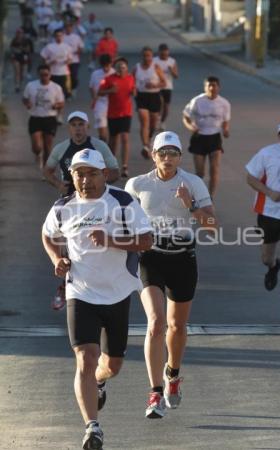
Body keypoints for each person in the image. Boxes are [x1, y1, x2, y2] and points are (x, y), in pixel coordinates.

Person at [42, 148, 153, 449]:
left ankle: (100, 382)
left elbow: (147, 240)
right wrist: (57, 258)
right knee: (85, 359)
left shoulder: (123, 202)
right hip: (81, 291)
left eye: (91, 173)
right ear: (72, 176)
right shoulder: (63, 207)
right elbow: (48, 235)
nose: (85, 180)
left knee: (111, 366)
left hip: (117, 293)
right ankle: (92, 427)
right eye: (79, 173)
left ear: (104, 174)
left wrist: (111, 241)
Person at [125, 131, 217, 418]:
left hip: (183, 258)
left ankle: (172, 376)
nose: (167, 158)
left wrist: (191, 204)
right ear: (153, 155)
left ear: (180, 156)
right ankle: (154, 393)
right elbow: (123, 220)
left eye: (173, 153)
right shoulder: (137, 184)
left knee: (177, 327)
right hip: (151, 257)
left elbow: (212, 224)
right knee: (156, 323)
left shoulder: (193, 183)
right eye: (161, 153)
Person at [44, 110, 120, 310]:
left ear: (87, 126)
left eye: (81, 124)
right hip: (70, 203)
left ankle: (101, 285)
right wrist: (58, 184)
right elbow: (47, 169)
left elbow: (115, 171)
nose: (78, 128)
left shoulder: (99, 146)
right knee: (67, 248)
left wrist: (99, 182)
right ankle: (65, 286)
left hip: (97, 202)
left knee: (91, 246)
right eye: (74, 124)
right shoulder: (61, 148)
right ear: (69, 128)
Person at [246, 116, 280, 321]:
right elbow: (250, 178)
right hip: (269, 213)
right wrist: (269, 193)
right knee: (266, 257)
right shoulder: (267, 154)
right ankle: (272, 266)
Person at [183, 75, 231, 199]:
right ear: (205, 87)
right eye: (209, 85)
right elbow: (186, 116)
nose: (211, 88)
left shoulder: (224, 103)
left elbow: (225, 121)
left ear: (218, 87)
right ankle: (198, 195)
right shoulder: (197, 101)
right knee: (200, 173)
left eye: (214, 85)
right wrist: (191, 127)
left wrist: (225, 130)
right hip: (199, 137)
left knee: (214, 169)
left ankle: (210, 197)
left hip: (214, 138)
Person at [22, 63, 64, 170]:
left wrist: (57, 105)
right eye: (42, 75)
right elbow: (25, 98)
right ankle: (38, 154)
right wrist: (27, 103)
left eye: (46, 74)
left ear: (50, 74)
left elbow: (62, 103)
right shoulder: (31, 85)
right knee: (36, 147)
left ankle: (46, 170)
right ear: (38, 75)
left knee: (47, 146)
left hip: (49, 118)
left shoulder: (56, 87)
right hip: (35, 117)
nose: (44, 77)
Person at [99, 57, 136, 178]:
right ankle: (111, 165)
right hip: (113, 113)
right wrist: (110, 90)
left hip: (126, 113)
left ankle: (125, 166)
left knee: (125, 137)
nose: (121, 69)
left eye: (124, 67)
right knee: (113, 140)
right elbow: (99, 92)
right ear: (115, 68)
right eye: (119, 67)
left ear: (126, 68)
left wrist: (134, 92)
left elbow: (133, 90)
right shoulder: (108, 79)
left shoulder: (130, 78)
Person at [133, 46, 166, 159]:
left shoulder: (156, 67)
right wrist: (133, 91)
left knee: (152, 124)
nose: (147, 58)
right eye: (145, 55)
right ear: (141, 56)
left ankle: (150, 138)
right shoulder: (136, 68)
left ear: (152, 57)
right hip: (141, 97)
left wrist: (155, 85)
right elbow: (131, 82)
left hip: (154, 96)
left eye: (149, 56)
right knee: (144, 122)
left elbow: (164, 83)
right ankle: (145, 146)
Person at [40, 28, 73, 98]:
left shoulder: (67, 47)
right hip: (53, 72)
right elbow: (43, 58)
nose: (59, 37)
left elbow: (70, 59)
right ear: (54, 37)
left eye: (60, 36)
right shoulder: (49, 47)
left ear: (63, 36)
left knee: (63, 90)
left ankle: (62, 101)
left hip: (64, 72)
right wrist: (50, 62)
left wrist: (67, 61)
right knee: (52, 90)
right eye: (57, 36)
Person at [89, 53, 115, 142]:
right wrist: (94, 99)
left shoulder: (115, 73)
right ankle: (103, 146)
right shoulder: (95, 74)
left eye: (108, 65)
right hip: (100, 103)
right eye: (104, 66)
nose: (106, 68)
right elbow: (91, 87)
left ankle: (110, 150)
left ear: (111, 64)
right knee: (101, 128)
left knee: (113, 131)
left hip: (113, 104)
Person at [153, 43, 178, 131]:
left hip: (167, 86)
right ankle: (157, 120)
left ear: (168, 52)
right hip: (157, 86)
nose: (164, 55)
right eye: (162, 53)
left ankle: (162, 122)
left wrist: (171, 70)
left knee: (166, 107)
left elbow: (176, 76)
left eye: (165, 53)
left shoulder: (172, 61)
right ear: (159, 52)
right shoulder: (154, 61)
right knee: (160, 103)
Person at [64, 21, 84, 97]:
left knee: (74, 76)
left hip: (75, 60)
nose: (68, 29)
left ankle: (74, 88)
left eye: (70, 27)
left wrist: (77, 51)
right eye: (67, 27)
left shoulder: (76, 37)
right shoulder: (62, 37)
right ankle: (67, 92)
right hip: (65, 61)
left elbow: (81, 48)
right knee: (66, 77)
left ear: (72, 28)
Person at [9, 28, 31, 92]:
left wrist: (22, 49)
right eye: (18, 33)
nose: (19, 34)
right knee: (17, 72)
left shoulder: (26, 40)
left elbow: (28, 50)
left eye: (20, 33)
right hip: (16, 57)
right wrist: (14, 51)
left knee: (22, 73)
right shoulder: (14, 40)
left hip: (23, 57)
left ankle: (20, 84)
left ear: (22, 33)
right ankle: (17, 86)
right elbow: (11, 48)